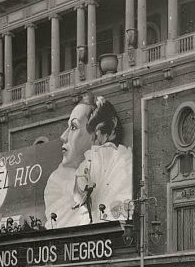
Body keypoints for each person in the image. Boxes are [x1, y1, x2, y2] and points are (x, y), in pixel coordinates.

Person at [44, 94, 132, 228]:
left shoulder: (119, 165)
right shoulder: (59, 183)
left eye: (73, 127)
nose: (63, 136)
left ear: (96, 133)